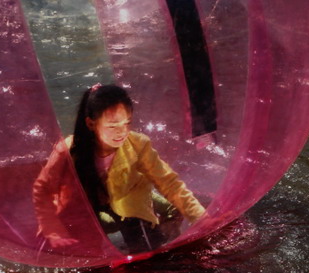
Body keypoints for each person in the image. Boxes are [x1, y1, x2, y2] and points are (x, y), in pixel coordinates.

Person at [33, 84, 205, 254]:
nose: (121, 132)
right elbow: (42, 189)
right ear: (91, 124)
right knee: (86, 242)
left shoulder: (138, 144)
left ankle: (166, 224)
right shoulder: (69, 149)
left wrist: (201, 218)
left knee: (149, 238)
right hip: (92, 204)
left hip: (129, 194)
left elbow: (169, 182)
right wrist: (52, 227)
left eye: (127, 123)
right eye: (113, 126)